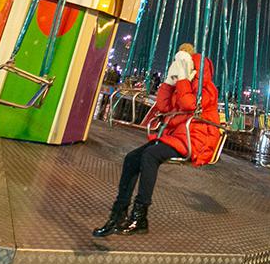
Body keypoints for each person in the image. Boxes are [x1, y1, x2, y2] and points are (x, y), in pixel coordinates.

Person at [93, 43, 220, 237]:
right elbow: (163, 106)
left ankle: (140, 215)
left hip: (196, 139)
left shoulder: (207, 88)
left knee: (151, 155)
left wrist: (183, 79)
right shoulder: (182, 86)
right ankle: (118, 213)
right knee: (132, 158)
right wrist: (170, 82)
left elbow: (189, 105)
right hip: (178, 136)